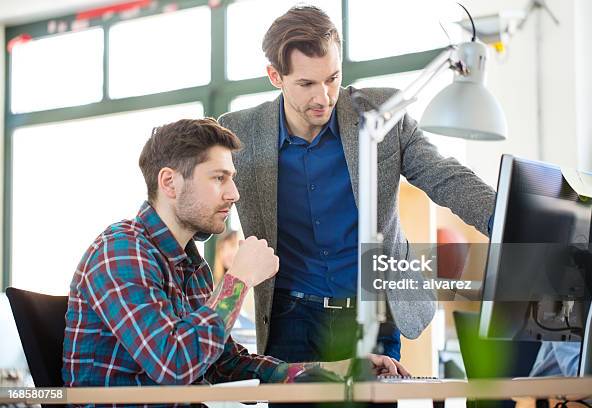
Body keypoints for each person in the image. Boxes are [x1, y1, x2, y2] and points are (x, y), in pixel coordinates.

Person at [218, 5, 496, 367]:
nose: (324, 97)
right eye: (306, 84)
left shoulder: (382, 113)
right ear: (275, 76)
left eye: (332, 78)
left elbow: (445, 176)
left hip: (374, 314)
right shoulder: (241, 133)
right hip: (291, 317)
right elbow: (203, 205)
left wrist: (511, 220)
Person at [62, 119, 406, 400]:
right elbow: (174, 365)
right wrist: (238, 279)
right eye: (219, 178)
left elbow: (225, 363)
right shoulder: (121, 253)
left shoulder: (189, 265)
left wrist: (338, 368)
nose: (234, 194)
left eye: (232, 178)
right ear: (169, 182)